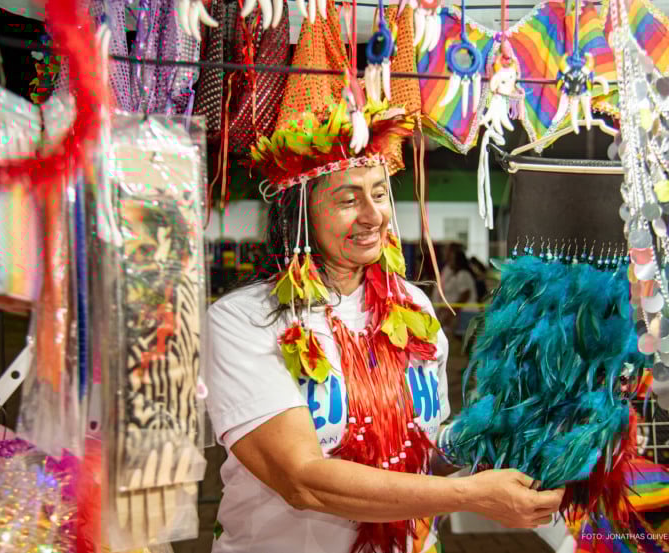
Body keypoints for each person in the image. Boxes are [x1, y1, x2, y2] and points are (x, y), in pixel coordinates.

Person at [203, 5, 563, 553]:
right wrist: (468, 495)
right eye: (348, 199)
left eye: (378, 193)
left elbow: (425, 450)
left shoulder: (412, 307)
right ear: (299, 214)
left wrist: (516, 432)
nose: (373, 215)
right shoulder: (242, 320)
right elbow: (303, 480)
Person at [433, 244, 478, 335]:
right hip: (457, 312)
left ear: (457, 261)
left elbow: (465, 295)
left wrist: (452, 312)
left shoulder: (463, 274)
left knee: (459, 339)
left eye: (452, 259)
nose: (450, 261)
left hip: (465, 312)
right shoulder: (454, 274)